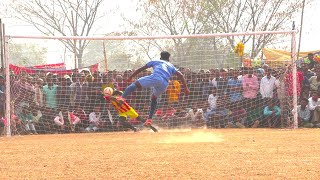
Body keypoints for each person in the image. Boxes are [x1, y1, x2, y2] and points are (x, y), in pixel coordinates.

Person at [122, 51, 190, 126]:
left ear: (160, 57)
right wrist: (186, 88)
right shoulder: (171, 65)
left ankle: (122, 98)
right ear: (168, 59)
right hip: (165, 84)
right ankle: (149, 119)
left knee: (134, 85)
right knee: (154, 97)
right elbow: (181, 75)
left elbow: (140, 69)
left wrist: (130, 77)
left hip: (156, 77)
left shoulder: (156, 61)